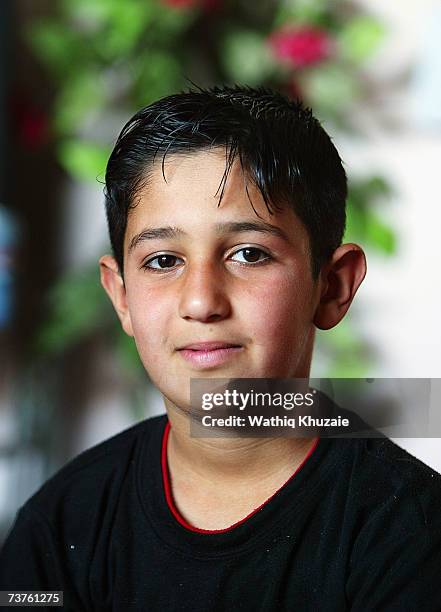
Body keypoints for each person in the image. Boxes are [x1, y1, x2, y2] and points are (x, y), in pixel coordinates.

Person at [1, 84, 440, 611]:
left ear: (333, 286)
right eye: (163, 261)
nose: (202, 301)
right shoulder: (62, 524)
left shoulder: (410, 536)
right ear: (121, 297)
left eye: (249, 254)